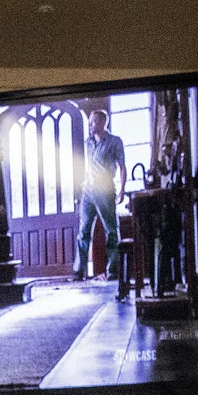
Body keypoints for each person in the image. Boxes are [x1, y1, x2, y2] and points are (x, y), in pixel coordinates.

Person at [72, 108, 126, 284]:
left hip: (105, 190)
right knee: (83, 231)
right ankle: (79, 271)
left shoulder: (115, 141)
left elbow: (122, 167)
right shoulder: (88, 143)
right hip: (89, 190)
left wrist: (122, 190)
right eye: (89, 122)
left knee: (111, 230)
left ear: (103, 122)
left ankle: (113, 270)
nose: (90, 125)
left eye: (93, 121)